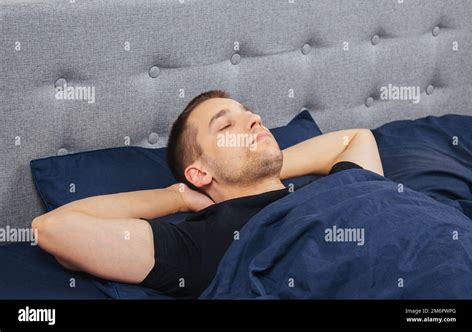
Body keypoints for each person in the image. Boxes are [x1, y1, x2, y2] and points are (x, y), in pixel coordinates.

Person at [32, 90, 384, 298]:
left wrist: (263, 165)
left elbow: (355, 139)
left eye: (249, 115)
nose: (255, 120)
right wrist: (178, 196)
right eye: (227, 125)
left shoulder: (333, 186)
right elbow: (53, 228)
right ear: (199, 172)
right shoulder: (210, 238)